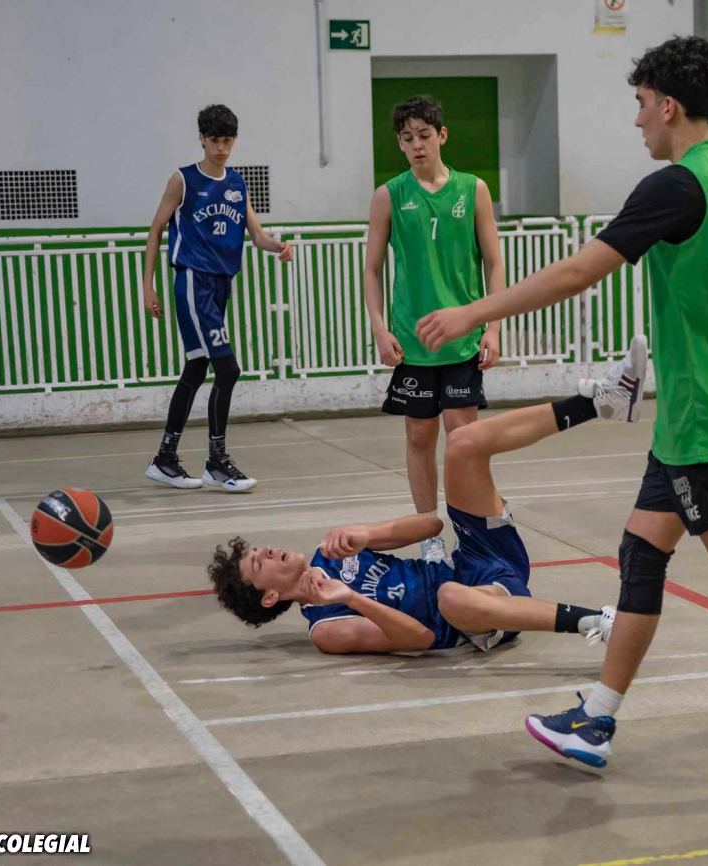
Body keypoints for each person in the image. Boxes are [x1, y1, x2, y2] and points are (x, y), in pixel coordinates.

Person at [417, 36, 708, 794]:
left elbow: (578, 271)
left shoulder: (676, 185)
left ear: (669, 106)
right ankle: (597, 717)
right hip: (702, 409)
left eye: (641, 104)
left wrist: (472, 313)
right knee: (641, 552)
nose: (637, 120)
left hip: (707, 418)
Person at [206, 338, 650, 654]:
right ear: (270, 597)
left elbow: (432, 524)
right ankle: (598, 621)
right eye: (259, 563)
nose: (268, 551)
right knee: (450, 598)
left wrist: (367, 534)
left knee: (463, 443)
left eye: (259, 550)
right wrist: (351, 598)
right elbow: (419, 639)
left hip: (477, 560)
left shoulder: (331, 551)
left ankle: (602, 401)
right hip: (477, 613)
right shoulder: (327, 628)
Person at [363, 95, 507, 564]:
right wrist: (380, 329)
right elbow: (372, 269)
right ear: (399, 144)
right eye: (407, 138)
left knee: (464, 442)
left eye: (424, 135)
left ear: (441, 135)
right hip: (412, 342)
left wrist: (492, 328)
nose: (416, 144)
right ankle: (429, 537)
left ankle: (475, 532)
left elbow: (494, 263)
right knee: (419, 438)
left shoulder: (473, 189)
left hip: (462, 341)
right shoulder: (388, 195)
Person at [142, 104, 294, 492]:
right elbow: (156, 229)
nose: (221, 148)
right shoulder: (184, 179)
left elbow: (256, 235)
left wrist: (278, 246)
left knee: (197, 368)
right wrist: (148, 285)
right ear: (202, 139)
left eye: (227, 141)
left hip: (221, 284)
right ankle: (217, 462)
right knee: (228, 369)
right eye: (215, 141)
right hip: (193, 281)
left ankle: (165, 458)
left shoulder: (237, 184)